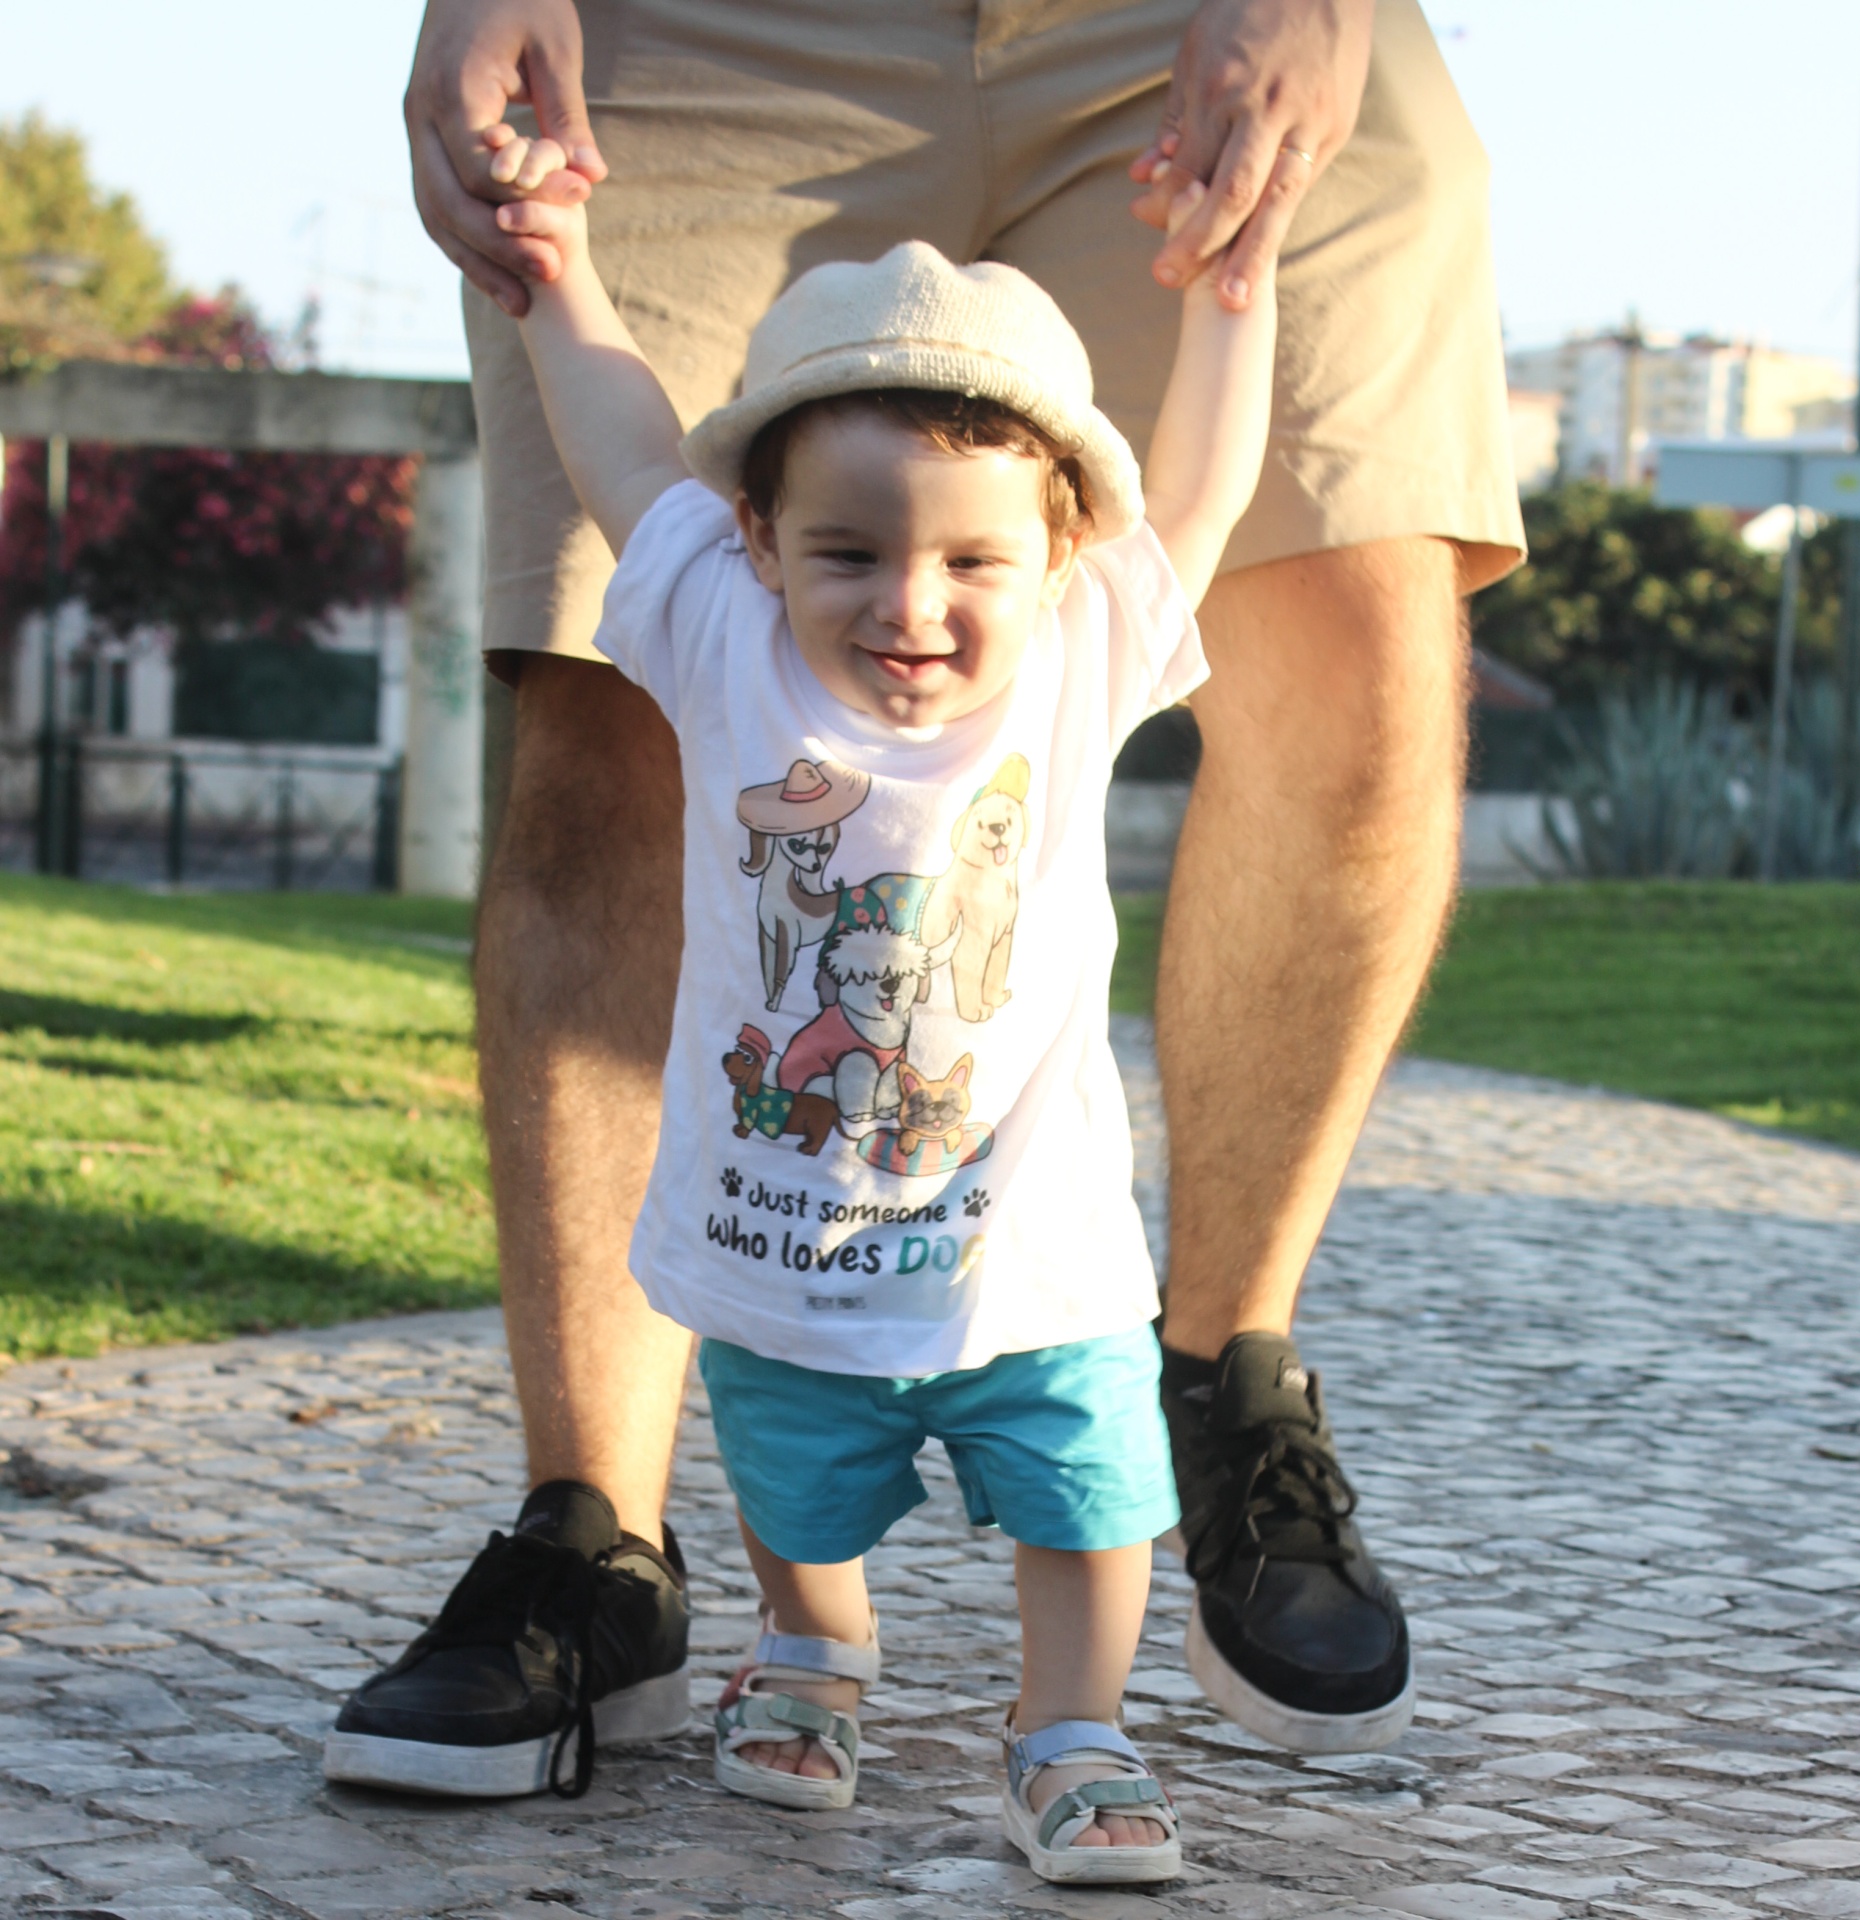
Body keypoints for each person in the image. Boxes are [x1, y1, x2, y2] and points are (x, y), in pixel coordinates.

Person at [326, 0, 1523, 1803]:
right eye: (853, 555)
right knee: (589, 710)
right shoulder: (714, 611)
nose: (915, 606)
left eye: (974, 562)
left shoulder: (1088, 632)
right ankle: (611, 1546)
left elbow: (1182, 497)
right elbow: (632, 453)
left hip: (1189, 31)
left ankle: (1203, 1437)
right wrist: (559, 263)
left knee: (1369, 643)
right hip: (699, 30)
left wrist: (1237, 278)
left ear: (1052, 560)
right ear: (759, 546)